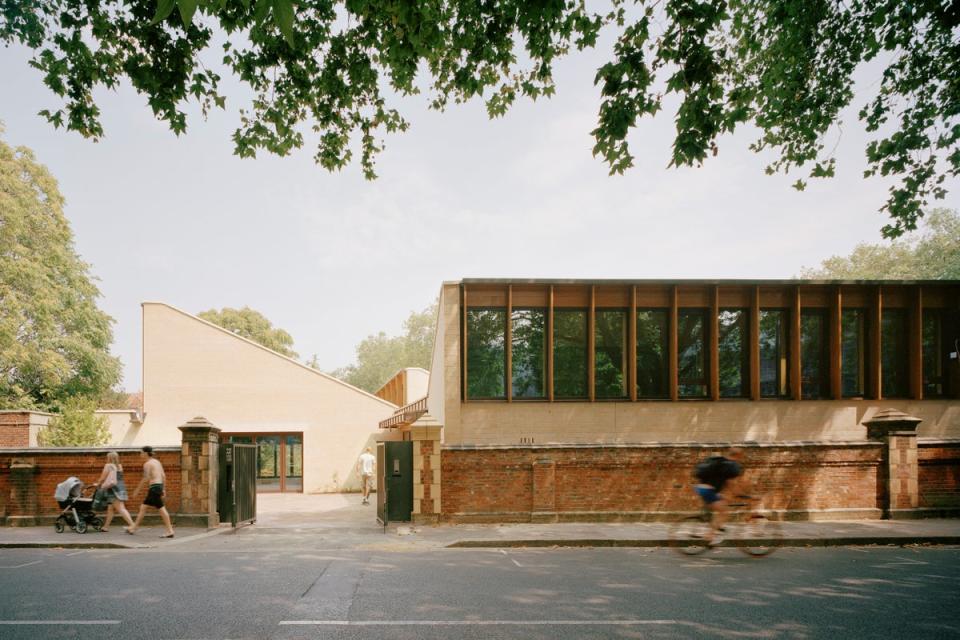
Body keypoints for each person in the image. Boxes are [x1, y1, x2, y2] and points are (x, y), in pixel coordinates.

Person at [693, 446, 744, 546]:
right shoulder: (730, 466)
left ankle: (714, 526)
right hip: (708, 491)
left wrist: (724, 495)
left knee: (724, 501)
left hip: (701, 488)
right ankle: (710, 536)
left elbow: (721, 481)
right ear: (738, 456)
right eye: (741, 456)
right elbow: (731, 484)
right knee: (725, 512)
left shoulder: (718, 461)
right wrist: (741, 494)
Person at [125, 445, 175, 538]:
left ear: (145, 453)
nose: (140, 454)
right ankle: (133, 528)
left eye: (141, 452)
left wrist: (137, 490)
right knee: (143, 507)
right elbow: (163, 476)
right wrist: (163, 489)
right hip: (158, 487)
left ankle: (170, 530)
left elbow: (146, 478)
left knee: (161, 509)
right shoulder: (157, 462)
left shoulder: (147, 464)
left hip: (154, 488)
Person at [91, 451, 135, 532]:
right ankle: (106, 527)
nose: (107, 458)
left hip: (113, 489)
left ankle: (133, 525)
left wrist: (98, 484)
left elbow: (103, 477)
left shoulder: (108, 465)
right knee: (110, 509)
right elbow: (119, 478)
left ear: (109, 458)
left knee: (121, 508)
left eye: (107, 457)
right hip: (120, 488)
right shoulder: (120, 466)